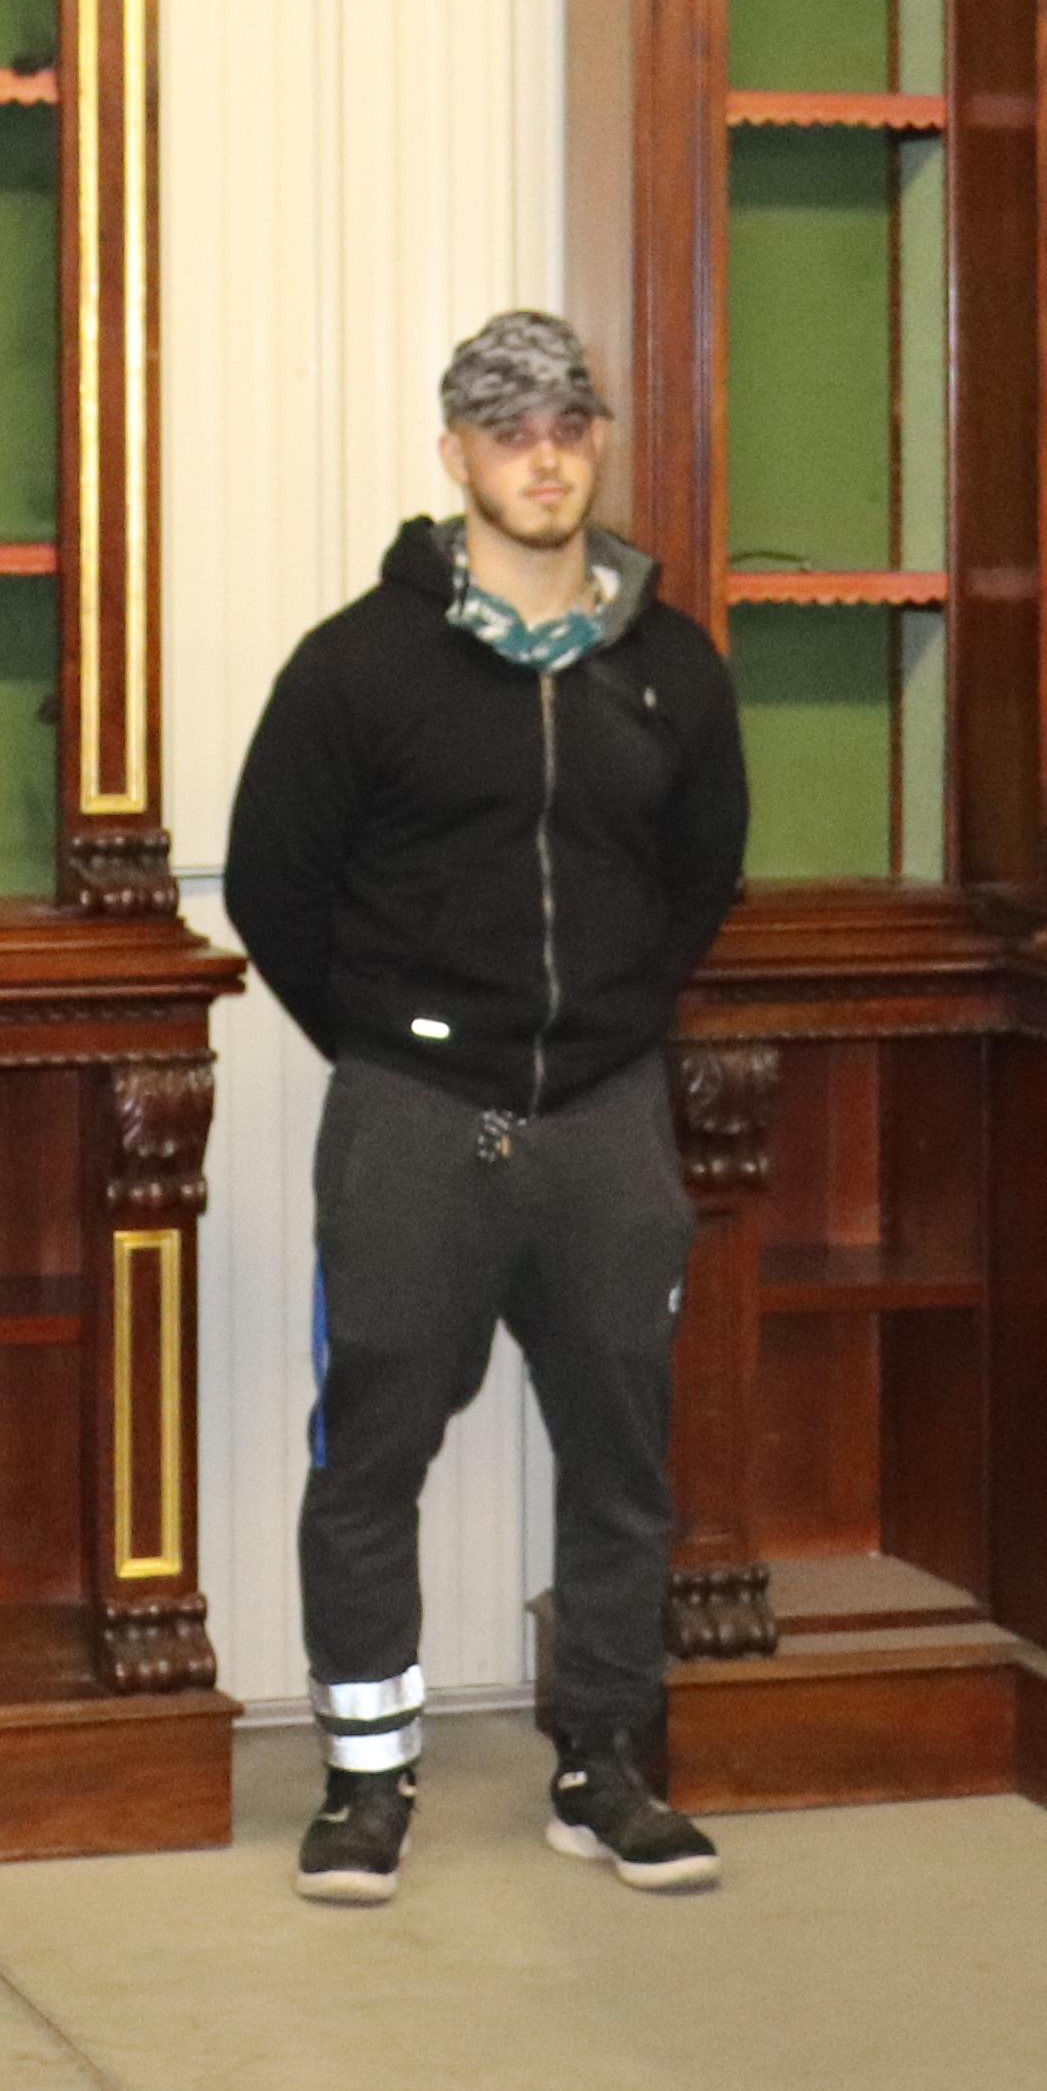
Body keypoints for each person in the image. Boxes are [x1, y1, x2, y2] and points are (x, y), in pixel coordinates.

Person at [225, 308, 750, 1908]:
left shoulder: (671, 667)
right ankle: (366, 1782)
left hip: (607, 1122)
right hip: (413, 1123)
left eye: (569, 425)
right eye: (508, 429)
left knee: (623, 1460)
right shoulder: (358, 666)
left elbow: (700, 879)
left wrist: (600, 1034)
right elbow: (273, 889)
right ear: (453, 455)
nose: (545, 454)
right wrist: (399, 1044)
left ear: (596, 442)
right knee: (373, 1451)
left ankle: (606, 1767)